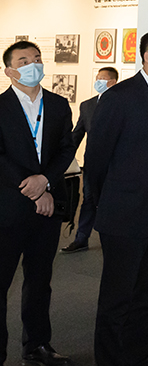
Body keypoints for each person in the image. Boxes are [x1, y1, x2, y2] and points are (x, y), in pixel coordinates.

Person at [86, 29, 148, 366]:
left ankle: (138, 357)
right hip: (124, 212)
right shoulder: (120, 96)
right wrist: (106, 202)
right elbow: (96, 158)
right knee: (117, 297)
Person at [0, 41, 75, 366]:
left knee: (40, 282)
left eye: (37, 58)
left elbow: (66, 148)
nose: (33, 64)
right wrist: (33, 186)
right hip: (8, 208)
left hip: (47, 209)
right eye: (23, 61)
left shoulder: (58, 104)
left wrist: (45, 181)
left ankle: (37, 346)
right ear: (9, 71)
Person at [63, 66, 119, 254]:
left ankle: (114, 241)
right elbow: (77, 133)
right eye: (97, 77)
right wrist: (63, 156)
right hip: (92, 165)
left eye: (102, 78)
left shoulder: (122, 104)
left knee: (113, 203)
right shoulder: (87, 105)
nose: (98, 81)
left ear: (113, 82)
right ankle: (81, 239)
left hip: (116, 166)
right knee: (88, 200)